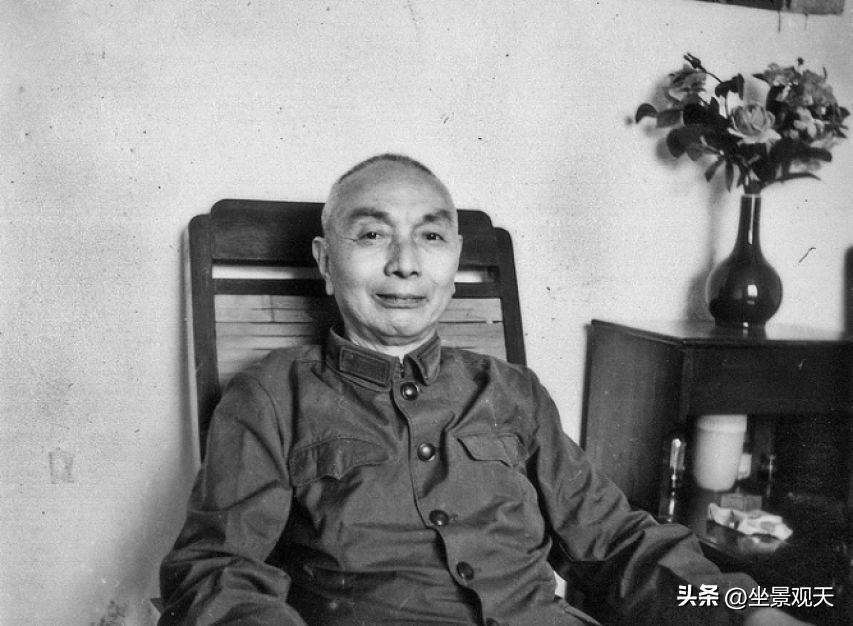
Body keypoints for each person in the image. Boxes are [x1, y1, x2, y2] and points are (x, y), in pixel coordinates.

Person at [159, 154, 808, 625]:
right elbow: (216, 571)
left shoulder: (511, 392)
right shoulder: (270, 397)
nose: (405, 263)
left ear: (453, 260)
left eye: (430, 236)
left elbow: (614, 539)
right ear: (327, 262)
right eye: (372, 234)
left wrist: (747, 610)